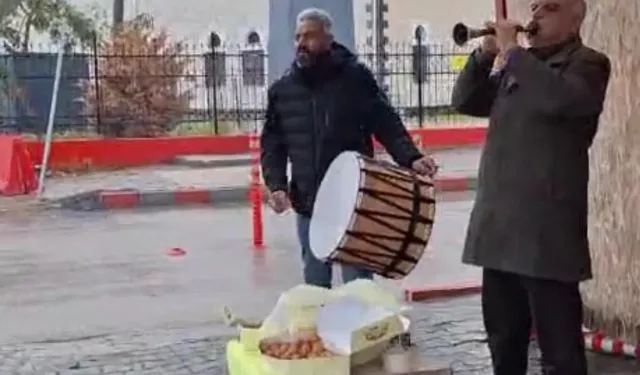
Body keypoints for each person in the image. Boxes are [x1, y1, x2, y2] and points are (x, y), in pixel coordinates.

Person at [451, 0, 610, 374]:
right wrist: (483, 55)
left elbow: (561, 100)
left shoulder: (588, 63)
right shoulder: (516, 65)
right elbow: (465, 101)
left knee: (560, 352)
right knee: (504, 341)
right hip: (500, 227)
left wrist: (513, 53)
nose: (535, 15)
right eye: (534, 6)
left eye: (549, 8)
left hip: (546, 232)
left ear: (574, 21)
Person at [260, 8, 437, 289]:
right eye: (297, 37)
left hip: (354, 201)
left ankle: (358, 330)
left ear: (328, 39)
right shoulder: (283, 90)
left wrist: (410, 157)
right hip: (308, 202)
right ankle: (323, 332)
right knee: (315, 284)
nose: (301, 43)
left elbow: (385, 121)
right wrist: (277, 185)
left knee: (358, 285)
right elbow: (273, 143)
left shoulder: (355, 78)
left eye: (309, 36)